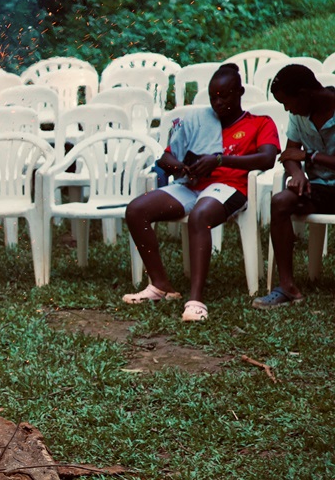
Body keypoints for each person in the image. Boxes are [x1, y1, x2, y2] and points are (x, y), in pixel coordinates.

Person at [123, 63, 278, 322]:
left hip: (231, 187)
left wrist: (219, 161)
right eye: (213, 96)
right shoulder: (198, 121)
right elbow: (166, 158)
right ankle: (160, 285)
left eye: (224, 95)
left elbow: (267, 159)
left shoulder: (259, 123)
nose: (218, 102)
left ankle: (195, 300)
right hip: (192, 185)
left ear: (240, 92)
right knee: (137, 210)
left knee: (200, 215)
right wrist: (182, 166)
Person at [254, 64, 335, 308]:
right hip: (318, 188)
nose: (287, 109)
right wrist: (296, 173)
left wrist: (310, 157)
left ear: (304, 93)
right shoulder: (299, 115)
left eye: (287, 103)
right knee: (280, 201)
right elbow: (290, 153)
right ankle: (287, 287)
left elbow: (302, 154)